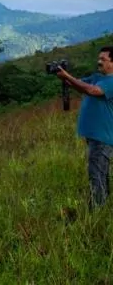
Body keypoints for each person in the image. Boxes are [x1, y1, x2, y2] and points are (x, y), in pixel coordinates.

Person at [57, 46, 113, 209]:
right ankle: (102, 204)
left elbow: (92, 91)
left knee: (96, 174)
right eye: (99, 58)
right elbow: (80, 85)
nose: (99, 61)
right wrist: (63, 76)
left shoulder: (111, 82)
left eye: (103, 59)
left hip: (103, 137)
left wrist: (66, 75)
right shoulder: (97, 77)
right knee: (100, 173)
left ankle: (97, 210)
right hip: (96, 137)